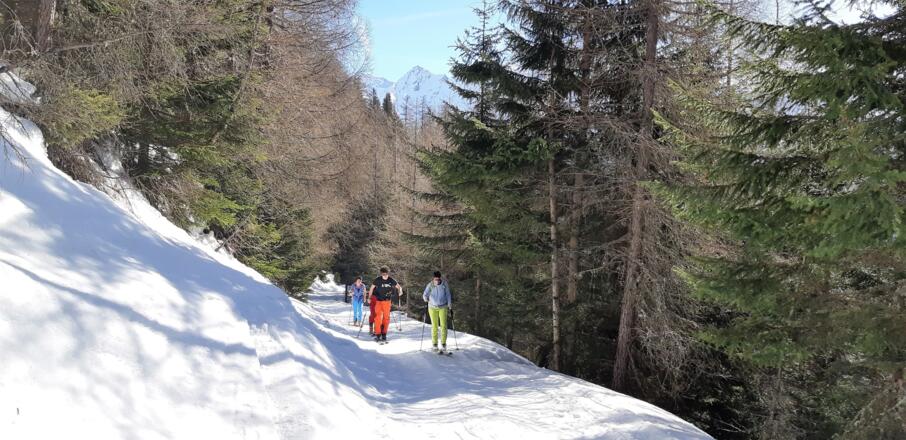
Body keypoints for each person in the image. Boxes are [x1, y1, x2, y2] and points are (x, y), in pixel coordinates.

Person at [367, 266, 402, 342]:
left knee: (386, 318)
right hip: (379, 301)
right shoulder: (378, 280)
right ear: (381, 274)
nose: (384, 275)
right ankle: (378, 334)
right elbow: (371, 288)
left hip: (387, 302)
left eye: (385, 274)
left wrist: (400, 291)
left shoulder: (391, 280)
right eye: (383, 274)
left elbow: (399, 287)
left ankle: (384, 334)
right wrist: (369, 297)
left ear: (388, 273)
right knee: (378, 318)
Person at [422, 271, 452, 353]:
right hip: (432, 307)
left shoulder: (444, 285)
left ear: (440, 278)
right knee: (434, 326)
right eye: (436, 279)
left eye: (438, 279)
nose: (437, 281)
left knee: (443, 325)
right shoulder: (430, 285)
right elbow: (425, 294)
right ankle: (435, 344)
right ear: (433, 278)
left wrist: (449, 304)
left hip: (443, 306)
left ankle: (443, 344)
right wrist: (425, 299)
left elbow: (448, 294)